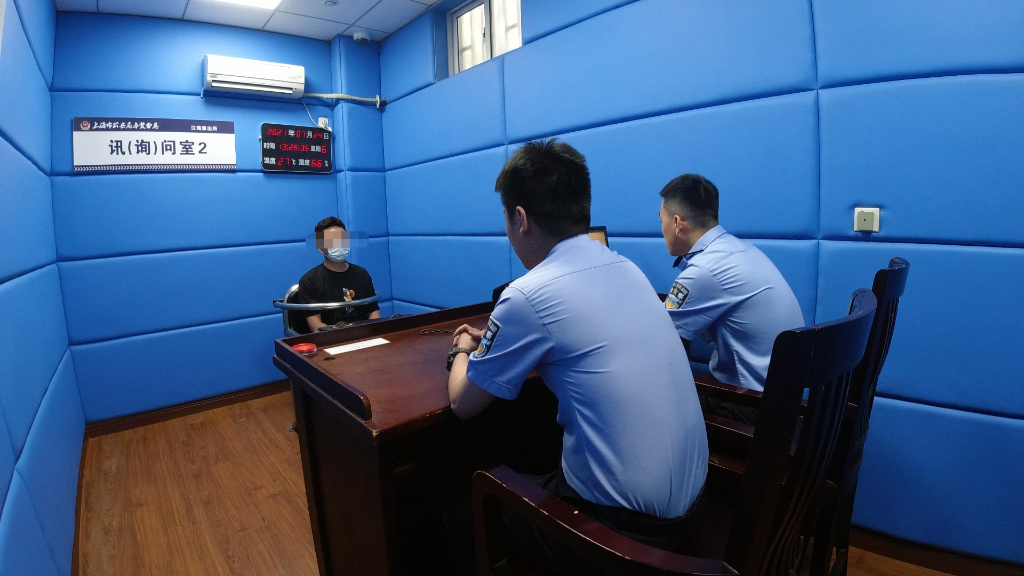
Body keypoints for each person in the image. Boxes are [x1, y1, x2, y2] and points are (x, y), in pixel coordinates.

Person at [443, 140, 708, 574]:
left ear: (520, 218)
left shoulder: (527, 294)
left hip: (624, 534)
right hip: (691, 506)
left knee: (461, 510)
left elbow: (462, 402)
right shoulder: (627, 268)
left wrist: (463, 349)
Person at [657, 174, 804, 425]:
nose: (661, 229)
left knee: (646, 403)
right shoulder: (740, 249)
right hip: (784, 397)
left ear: (677, 223)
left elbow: (659, 339)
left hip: (753, 405)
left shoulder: (705, 270)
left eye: (661, 221)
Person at [295, 216, 379, 333]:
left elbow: (374, 314)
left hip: (364, 335)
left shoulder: (362, 274)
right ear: (320, 248)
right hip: (331, 338)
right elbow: (316, 326)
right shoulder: (309, 281)